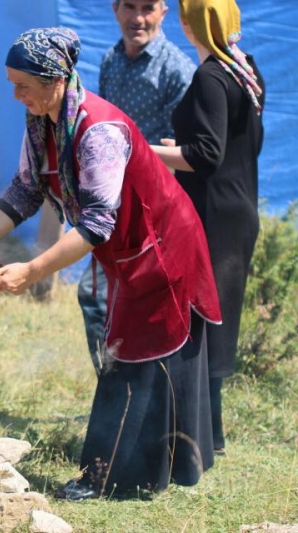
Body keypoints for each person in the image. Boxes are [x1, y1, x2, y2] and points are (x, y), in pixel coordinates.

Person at [0, 27, 221, 499]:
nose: (16, 96)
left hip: (160, 247)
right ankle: (161, 467)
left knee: (132, 358)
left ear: (57, 80)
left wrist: (31, 271)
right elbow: (24, 191)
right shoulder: (44, 121)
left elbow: (97, 223)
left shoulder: (97, 130)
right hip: (127, 249)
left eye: (24, 86)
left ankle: (113, 480)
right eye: (12, 84)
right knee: (134, 356)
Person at [151, 0, 265, 456]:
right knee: (219, 318)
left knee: (203, 318)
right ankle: (210, 433)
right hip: (238, 206)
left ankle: (202, 436)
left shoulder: (210, 76)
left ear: (188, 24)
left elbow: (205, 155)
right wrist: (179, 146)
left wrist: (146, 150)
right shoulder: (244, 67)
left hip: (213, 214)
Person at [78, 0, 195, 375]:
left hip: (151, 210)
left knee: (137, 305)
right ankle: (114, 388)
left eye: (148, 7)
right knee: (97, 298)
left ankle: (137, 398)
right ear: (115, 9)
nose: (138, 18)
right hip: (110, 203)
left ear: (164, 11)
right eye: (130, 6)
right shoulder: (111, 60)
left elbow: (183, 155)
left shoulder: (177, 71)